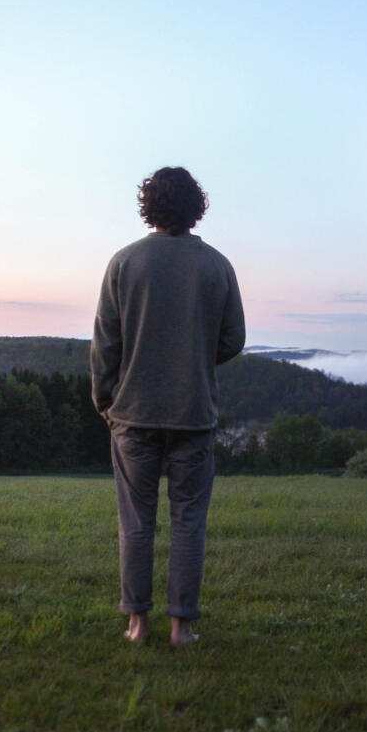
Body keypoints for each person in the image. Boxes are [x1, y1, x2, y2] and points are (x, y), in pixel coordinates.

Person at [90, 166, 246, 646]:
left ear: (149, 206)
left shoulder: (123, 263)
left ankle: (137, 625)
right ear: (196, 207)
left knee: (136, 524)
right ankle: (183, 627)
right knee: (188, 523)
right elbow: (234, 340)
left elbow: (105, 343)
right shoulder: (217, 266)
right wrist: (195, 357)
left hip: (132, 414)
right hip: (193, 414)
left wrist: (106, 400)